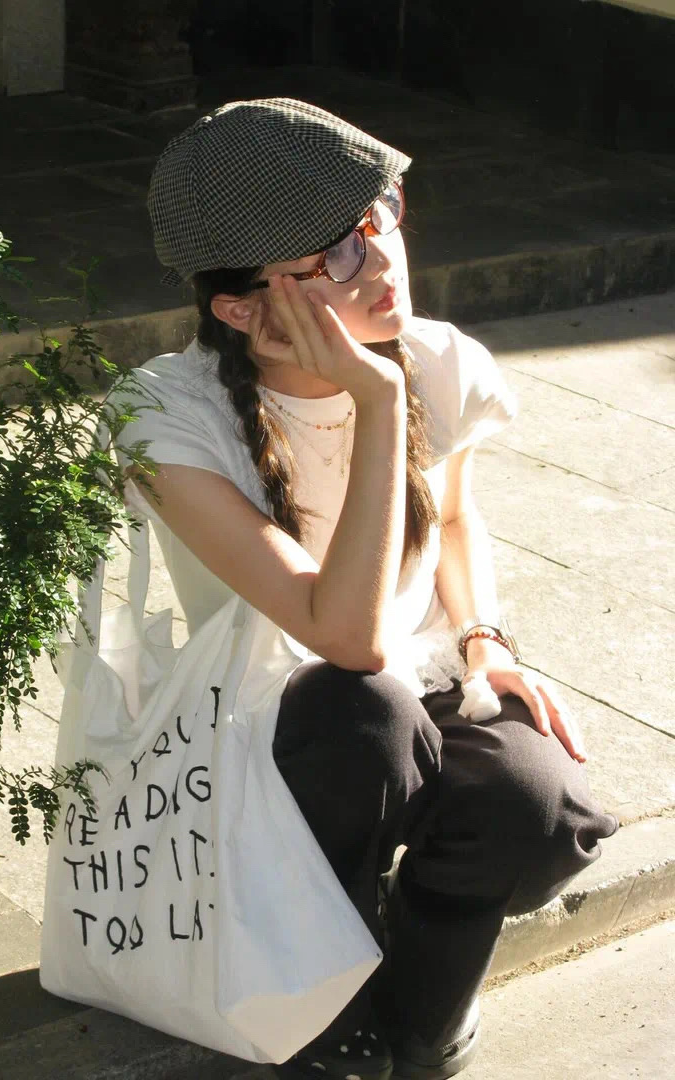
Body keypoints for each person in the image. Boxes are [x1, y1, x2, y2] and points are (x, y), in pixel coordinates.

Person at [113, 98, 618, 1080]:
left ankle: (421, 991)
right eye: (337, 252)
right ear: (241, 308)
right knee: (364, 717)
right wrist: (376, 398)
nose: (384, 255)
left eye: (380, 214)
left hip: (413, 681)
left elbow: (456, 519)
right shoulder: (165, 416)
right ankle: (318, 998)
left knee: (540, 804)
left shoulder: (439, 357)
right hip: (272, 718)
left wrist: (484, 642)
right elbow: (341, 637)